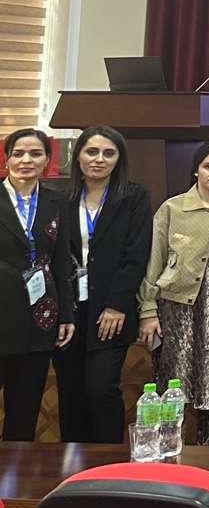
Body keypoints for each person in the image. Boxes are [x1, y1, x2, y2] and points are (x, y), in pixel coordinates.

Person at [138, 141, 209, 445]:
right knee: (172, 382)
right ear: (196, 170)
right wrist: (148, 309)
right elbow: (154, 260)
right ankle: (167, 448)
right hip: (178, 307)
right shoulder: (173, 208)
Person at [55, 125, 152, 444]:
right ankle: (72, 462)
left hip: (111, 310)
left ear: (119, 159)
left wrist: (116, 304)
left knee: (101, 389)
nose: (99, 159)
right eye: (91, 151)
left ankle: (108, 461)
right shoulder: (60, 198)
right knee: (70, 391)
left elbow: (136, 255)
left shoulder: (134, 198)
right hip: (69, 311)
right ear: (78, 156)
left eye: (108, 153)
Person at [1, 128, 75, 440]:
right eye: (18, 153)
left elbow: (62, 262)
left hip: (39, 317)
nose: (26, 160)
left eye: (35, 154)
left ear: (47, 160)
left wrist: (67, 314)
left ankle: (15, 469)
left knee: (24, 412)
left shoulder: (56, 201)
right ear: (7, 159)